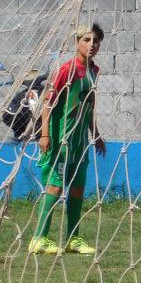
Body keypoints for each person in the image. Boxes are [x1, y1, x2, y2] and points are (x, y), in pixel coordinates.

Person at [27, 25, 106, 256]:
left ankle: (73, 239)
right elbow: (48, 104)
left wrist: (96, 134)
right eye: (86, 39)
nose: (92, 44)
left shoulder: (94, 70)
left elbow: (88, 105)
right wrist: (44, 134)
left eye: (96, 40)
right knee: (55, 186)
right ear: (77, 42)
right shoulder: (66, 70)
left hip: (80, 142)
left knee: (78, 188)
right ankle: (38, 238)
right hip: (60, 141)